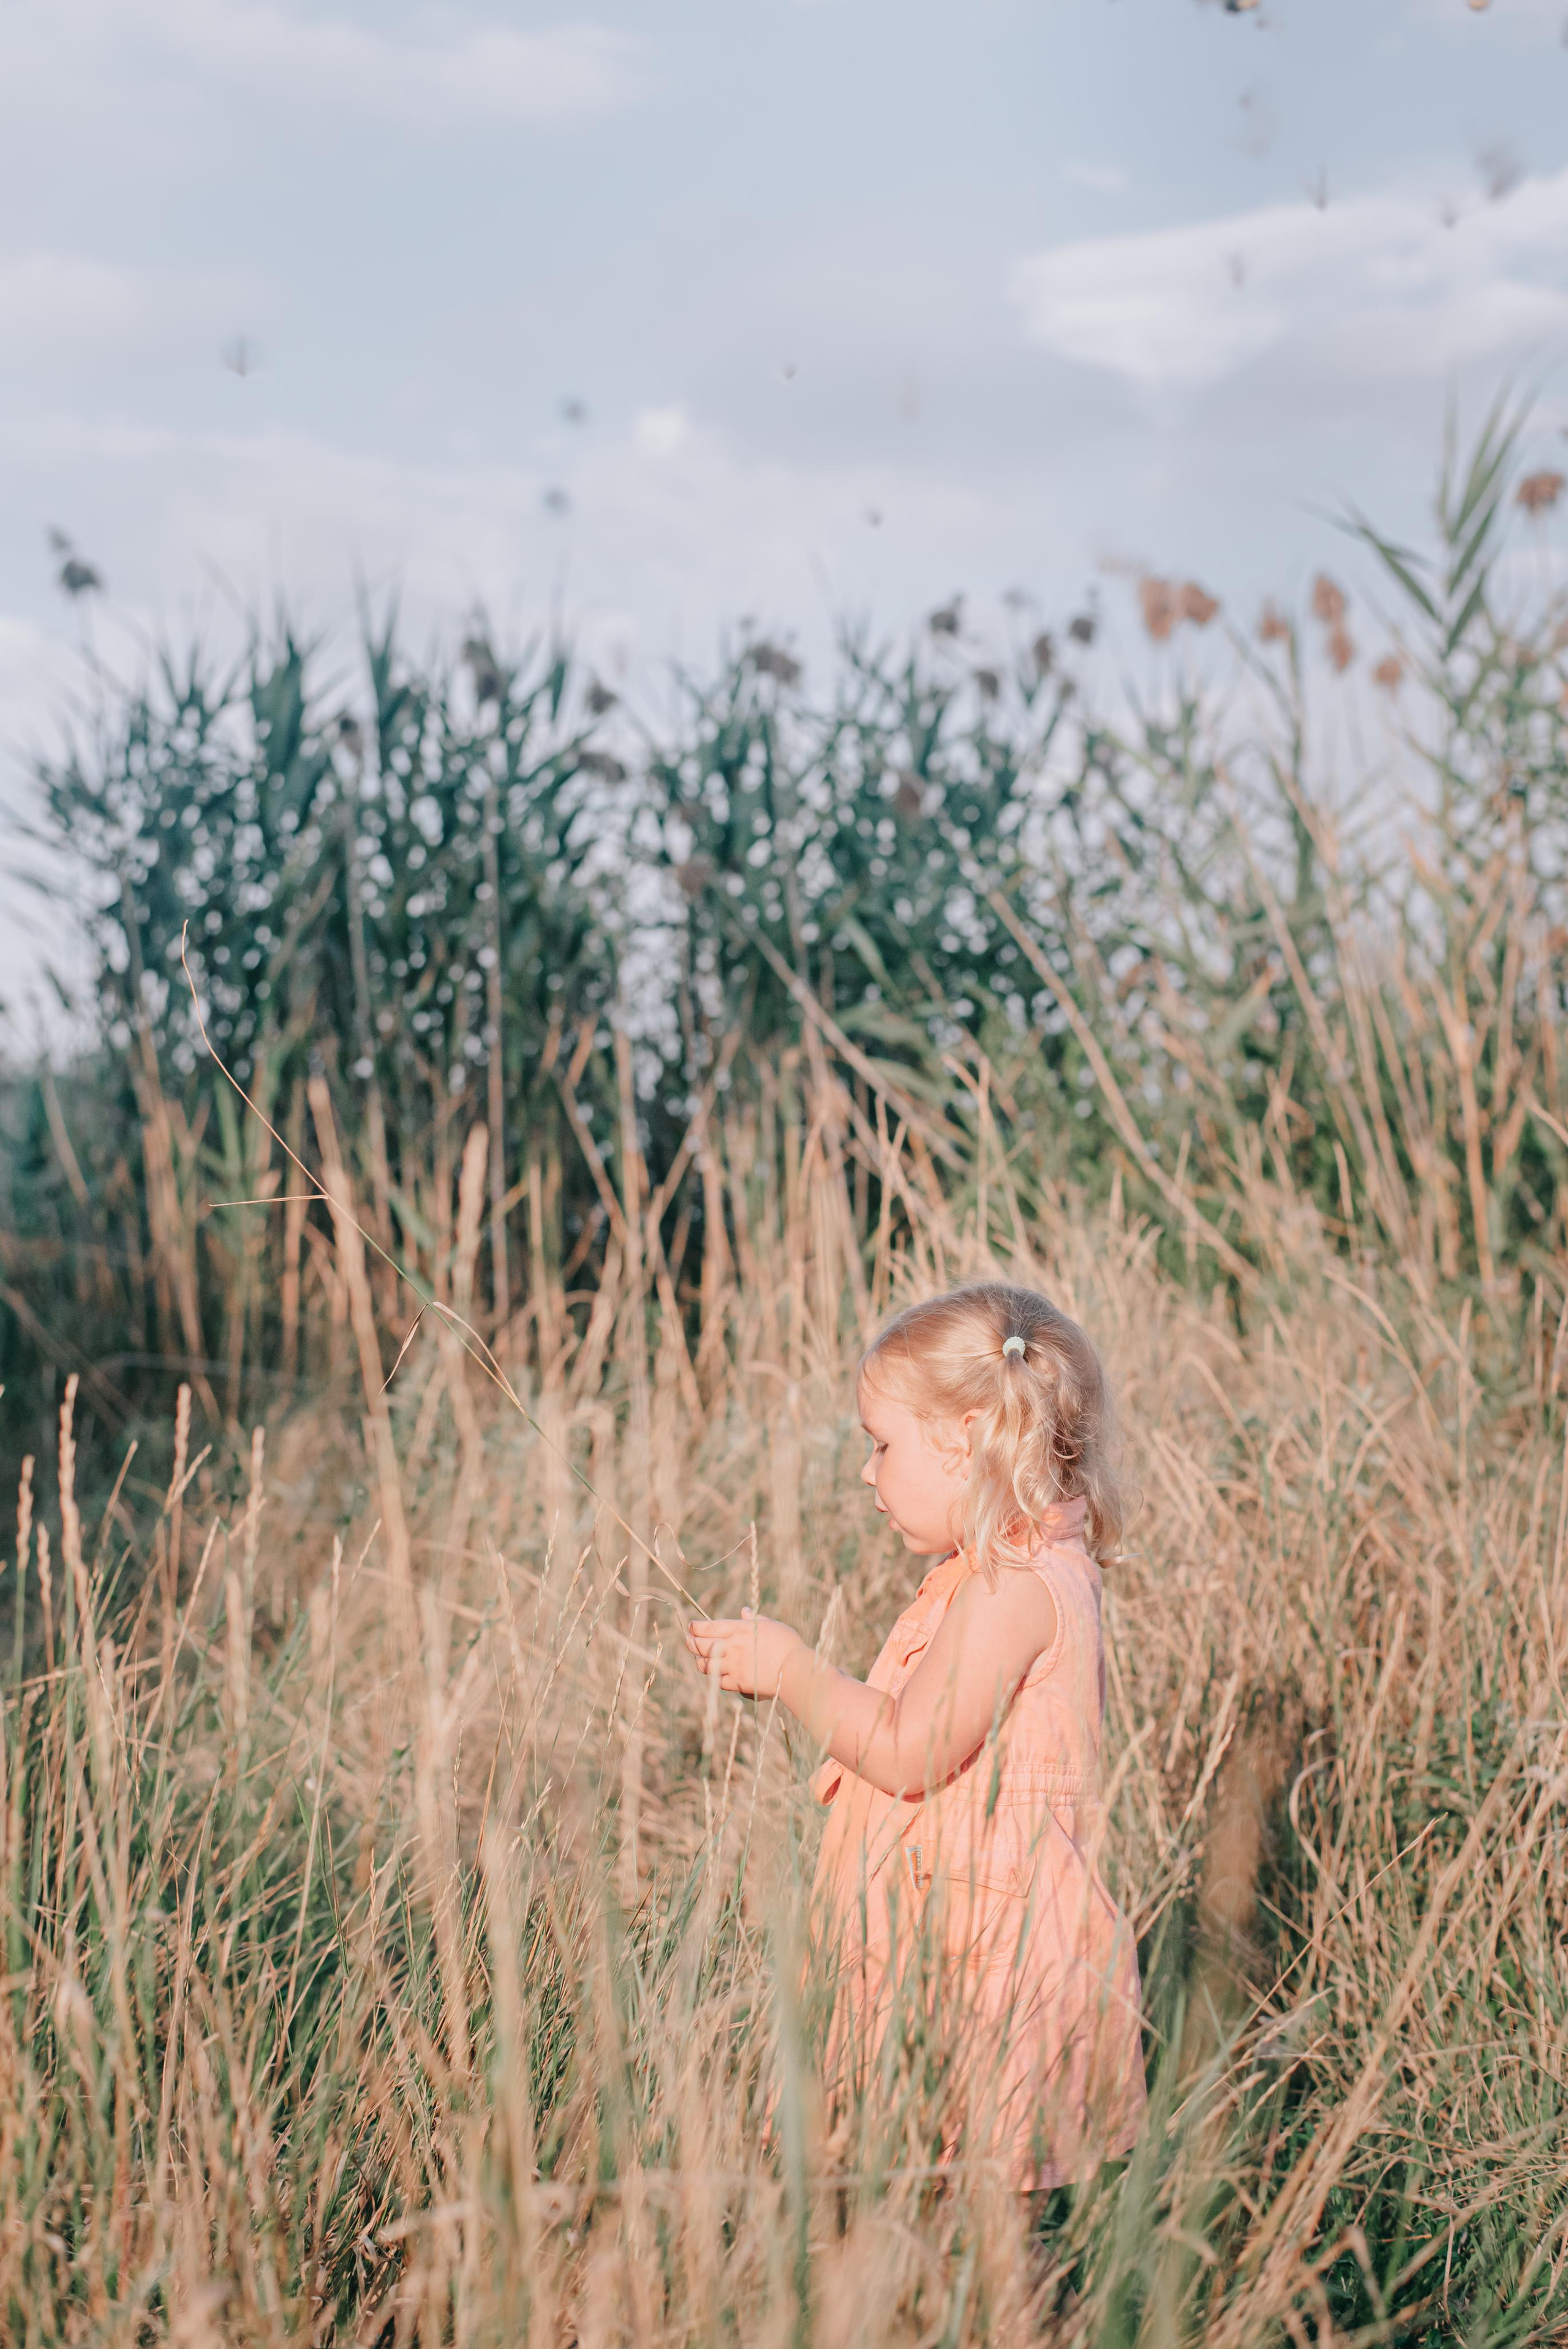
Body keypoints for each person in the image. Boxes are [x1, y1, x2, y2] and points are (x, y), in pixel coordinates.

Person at [685, 1279, 1146, 2190]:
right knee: (945, 2229)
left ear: (966, 1439)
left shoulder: (1010, 1587)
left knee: (971, 2235)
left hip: (987, 1975)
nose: (866, 1472)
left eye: (881, 1445)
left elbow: (907, 1749)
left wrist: (793, 1673)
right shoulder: (1007, 1569)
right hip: (963, 1943)